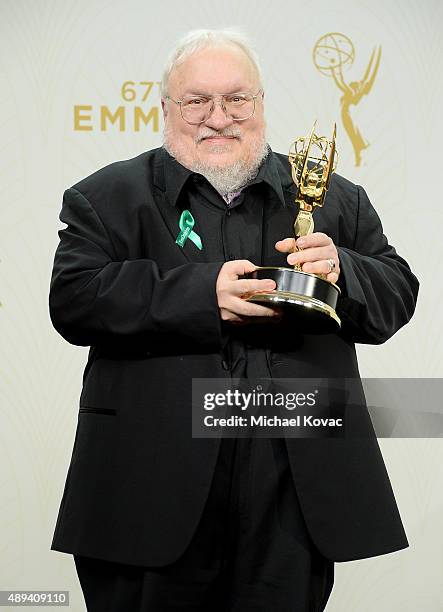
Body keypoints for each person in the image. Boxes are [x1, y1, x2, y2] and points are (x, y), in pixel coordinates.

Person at [49, 29, 419, 611]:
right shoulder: (106, 196)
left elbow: (398, 293)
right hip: (147, 490)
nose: (218, 118)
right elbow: (73, 299)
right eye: (197, 101)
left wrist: (343, 270)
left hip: (291, 495)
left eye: (237, 99)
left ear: (261, 106)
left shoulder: (333, 199)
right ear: (166, 109)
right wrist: (199, 296)